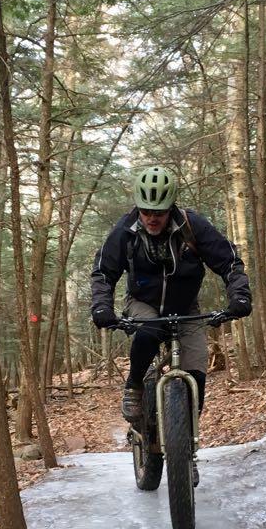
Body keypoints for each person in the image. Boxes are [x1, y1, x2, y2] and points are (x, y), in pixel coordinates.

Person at [90, 165, 252, 423]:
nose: (152, 219)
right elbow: (103, 273)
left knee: (197, 376)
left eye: (159, 213)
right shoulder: (126, 231)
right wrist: (101, 307)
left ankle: (185, 449)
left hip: (186, 308)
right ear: (138, 208)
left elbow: (229, 262)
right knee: (148, 333)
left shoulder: (192, 226)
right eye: (146, 212)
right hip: (143, 302)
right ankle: (134, 385)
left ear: (171, 208)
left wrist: (240, 296)